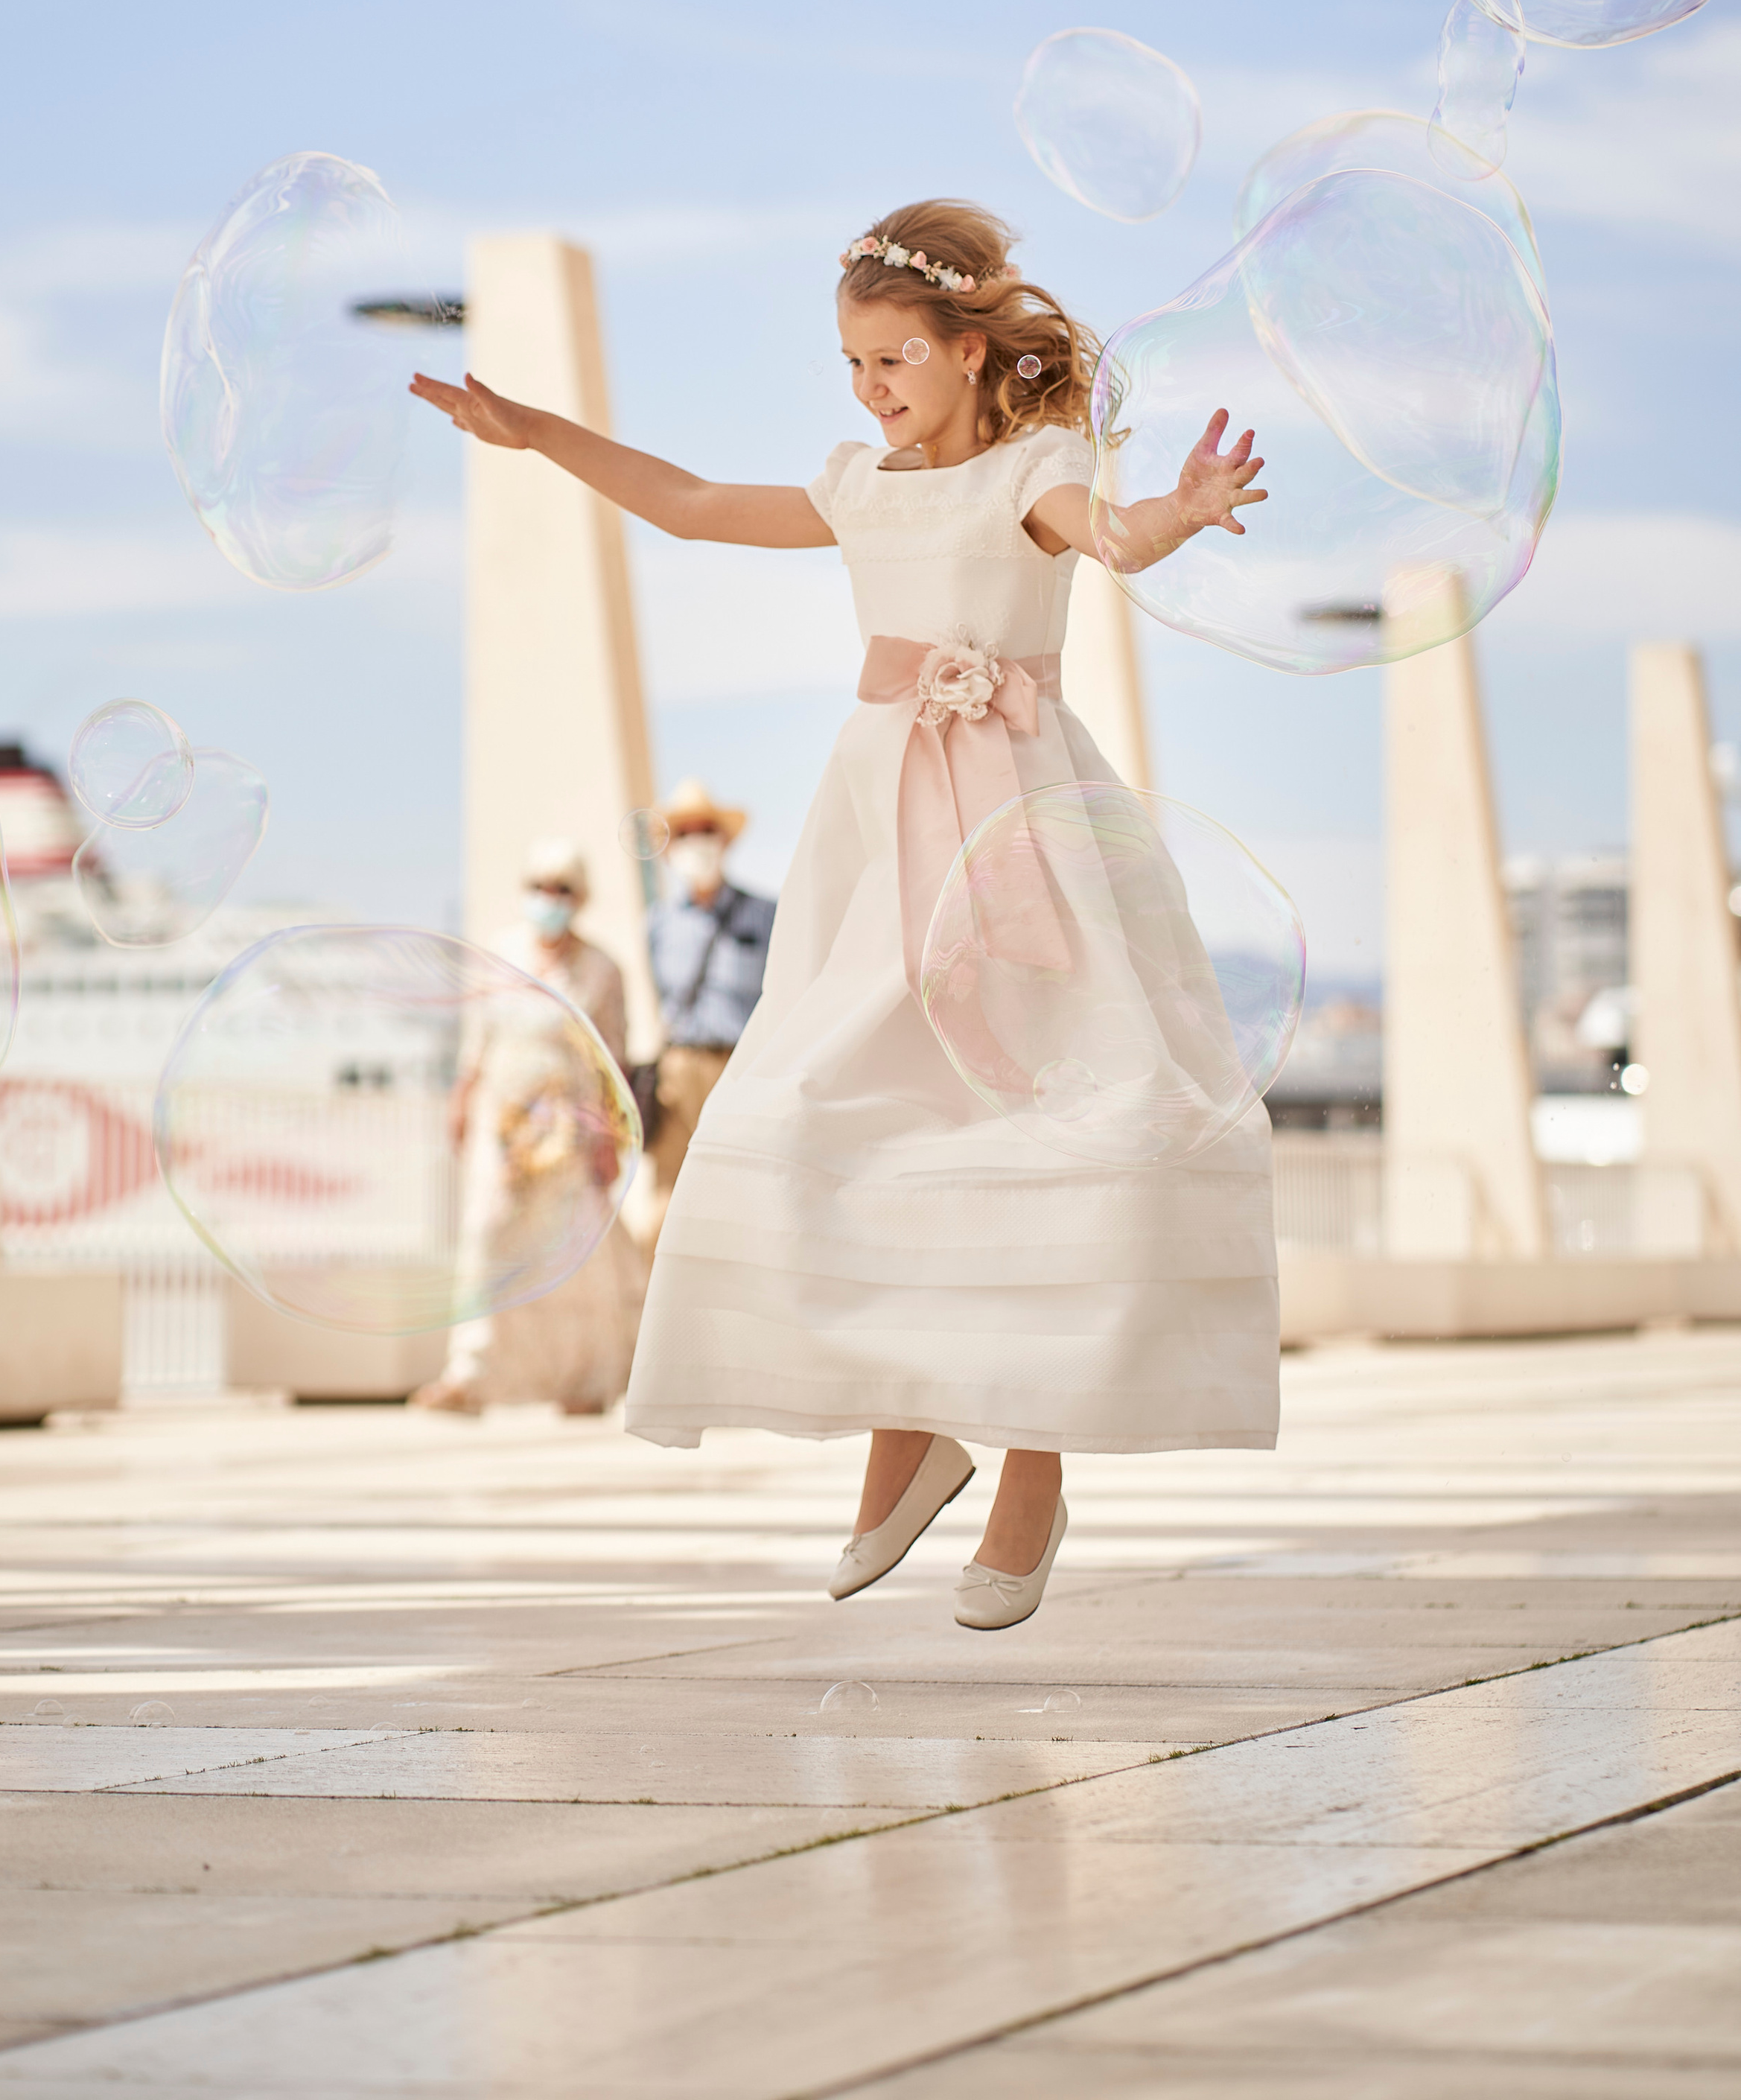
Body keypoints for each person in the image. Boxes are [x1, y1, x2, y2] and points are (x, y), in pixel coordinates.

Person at [411, 197, 1273, 1631]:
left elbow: (1107, 535)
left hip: (1021, 826)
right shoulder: (862, 485)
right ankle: (912, 1422)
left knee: (1052, 1119)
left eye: (893, 360)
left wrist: (1177, 512)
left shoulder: (1036, 467)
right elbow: (690, 502)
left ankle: (1034, 1471)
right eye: (853, 364)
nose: (871, 388)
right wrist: (540, 434)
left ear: (971, 351)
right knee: (824, 1111)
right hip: (880, 834)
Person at [410, 839, 647, 1420]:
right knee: (491, 1241)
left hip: (572, 1128)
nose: (551, 898)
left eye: (563, 888)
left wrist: (609, 1139)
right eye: (541, 885)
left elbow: (611, 1057)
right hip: (506, 1128)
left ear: (581, 898)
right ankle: (472, 1375)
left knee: (577, 1254)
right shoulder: (501, 953)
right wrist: (462, 1097)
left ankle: (587, 1380)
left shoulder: (601, 968)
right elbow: (478, 1038)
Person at [644, 779, 774, 1241]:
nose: (697, 841)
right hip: (679, 1072)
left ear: (723, 840)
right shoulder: (659, 923)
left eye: (706, 830)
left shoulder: (765, 914)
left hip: (743, 1069)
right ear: (671, 846)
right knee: (668, 1209)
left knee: (747, 1201)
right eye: (685, 832)